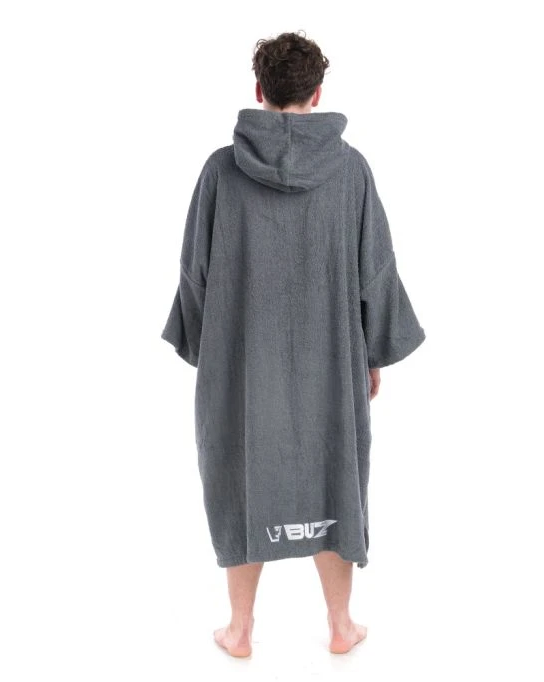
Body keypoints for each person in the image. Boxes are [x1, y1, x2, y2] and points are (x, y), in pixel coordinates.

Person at [161, 30, 426, 657]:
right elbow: (377, 271)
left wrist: (205, 352)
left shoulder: (221, 171)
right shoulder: (350, 170)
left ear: (259, 90)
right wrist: (374, 354)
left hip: (242, 362)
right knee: (334, 472)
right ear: (317, 93)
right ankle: (341, 625)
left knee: (239, 471)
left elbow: (194, 273)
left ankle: (239, 629)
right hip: (329, 360)